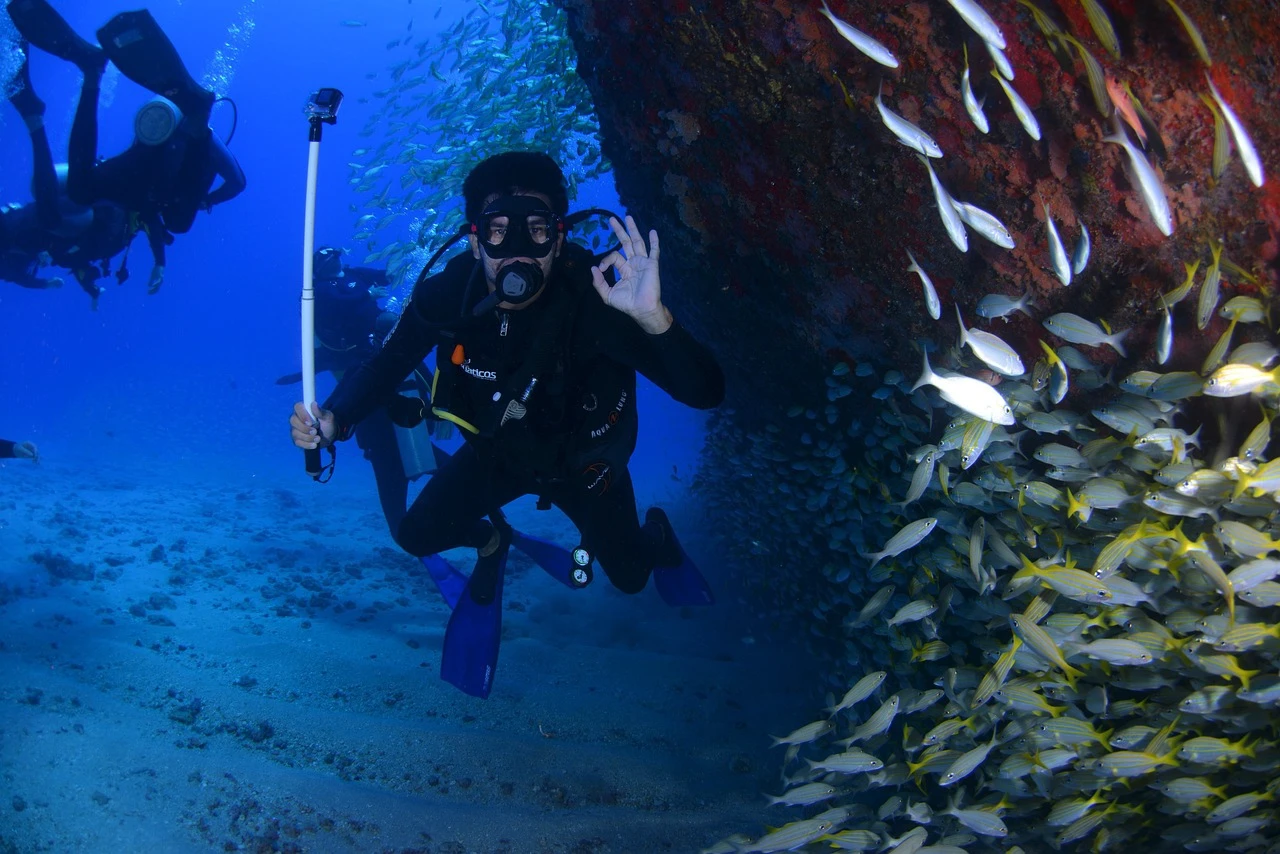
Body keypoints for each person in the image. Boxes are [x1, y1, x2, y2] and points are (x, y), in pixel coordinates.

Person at [289, 151, 725, 697]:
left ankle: (656, 533)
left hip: (586, 465)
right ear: (475, 242)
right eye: (498, 232)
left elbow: (706, 393)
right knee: (414, 533)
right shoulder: (450, 294)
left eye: (537, 230)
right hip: (498, 455)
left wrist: (653, 318)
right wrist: (336, 418)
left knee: (632, 577)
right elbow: (387, 364)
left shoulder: (599, 299)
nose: (517, 252)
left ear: (559, 240)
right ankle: (493, 539)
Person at [5, 0, 246, 294]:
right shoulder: (204, 146)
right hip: (147, 183)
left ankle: (92, 74)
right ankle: (93, 72)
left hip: (142, 183)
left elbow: (235, 183)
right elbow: (237, 182)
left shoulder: (205, 147)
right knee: (171, 217)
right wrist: (208, 201)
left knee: (88, 192)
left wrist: (206, 202)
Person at [277, 246, 436, 539]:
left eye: (335, 257)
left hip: (392, 363)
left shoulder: (352, 274)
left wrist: (411, 261)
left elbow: (386, 276)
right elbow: (343, 301)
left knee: (420, 444)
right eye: (325, 261)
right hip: (358, 366)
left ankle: (475, 514)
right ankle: (405, 528)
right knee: (383, 451)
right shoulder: (320, 290)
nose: (334, 263)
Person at [1, 45, 159, 304]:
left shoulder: (12, 258)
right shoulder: (13, 263)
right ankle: (35, 115)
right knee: (66, 198)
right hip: (65, 213)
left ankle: (34, 114)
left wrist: (61, 285)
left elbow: (73, 263)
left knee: (58, 199)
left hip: (58, 210)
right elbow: (72, 264)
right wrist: (55, 285)